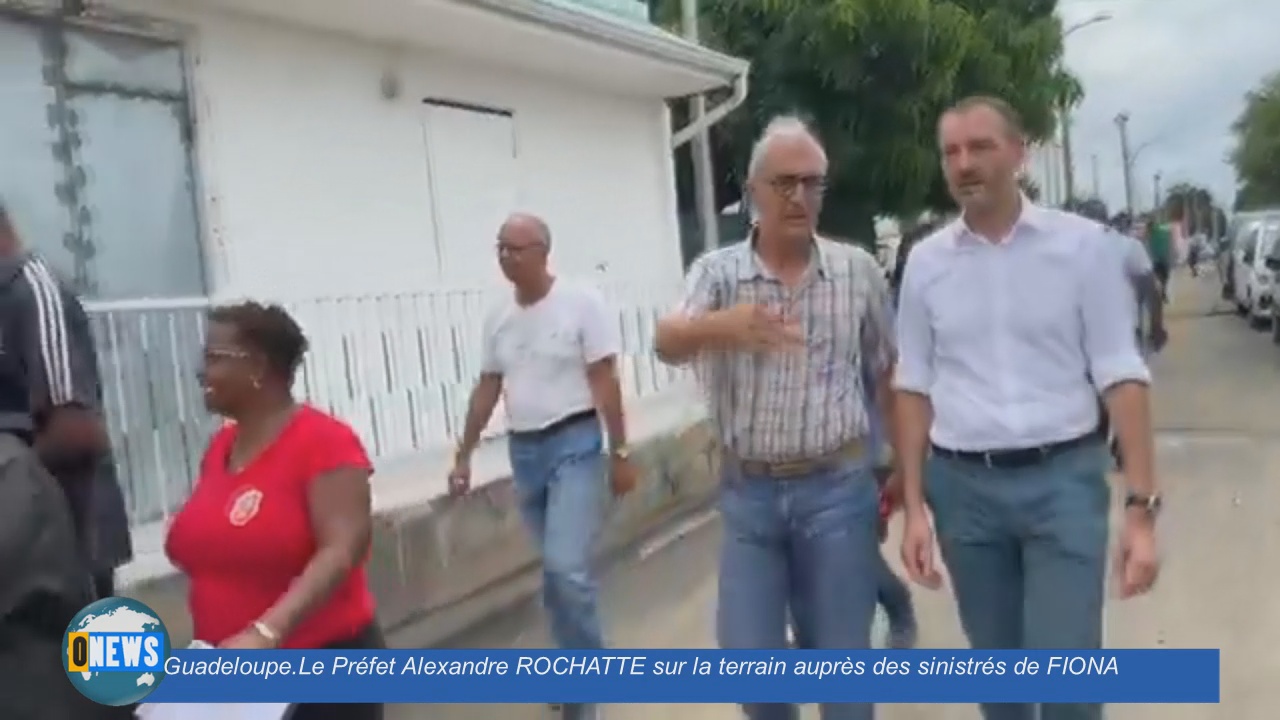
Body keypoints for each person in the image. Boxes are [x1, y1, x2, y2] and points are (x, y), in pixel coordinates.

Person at [895, 96, 1162, 720]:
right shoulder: (927, 264)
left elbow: (1123, 375)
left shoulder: (1084, 249)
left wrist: (1143, 510)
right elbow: (913, 384)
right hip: (964, 493)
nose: (964, 164)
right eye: (951, 152)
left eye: (980, 147)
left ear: (1019, 153)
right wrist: (913, 506)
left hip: (1064, 483)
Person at [654, 115, 894, 720]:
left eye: (812, 183)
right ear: (754, 191)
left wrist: (891, 469)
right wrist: (723, 326)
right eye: (784, 182)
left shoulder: (856, 270)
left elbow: (886, 371)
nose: (799, 196)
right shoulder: (719, 273)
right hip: (749, 494)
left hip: (837, 490)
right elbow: (667, 340)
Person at [448, 213, 635, 720]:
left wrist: (620, 452)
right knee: (554, 577)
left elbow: (604, 380)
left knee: (565, 567)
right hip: (524, 450)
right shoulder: (499, 317)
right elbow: (487, 387)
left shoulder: (580, 303)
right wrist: (464, 453)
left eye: (516, 248)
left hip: (574, 442)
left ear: (542, 251)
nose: (506, 257)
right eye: (500, 248)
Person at [165, 302, 384, 720]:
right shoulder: (220, 449)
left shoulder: (325, 441)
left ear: (258, 366)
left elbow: (343, 548)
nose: (200, 372)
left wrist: (266, 631)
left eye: (214, 359)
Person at [0, 202, 132, 599]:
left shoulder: (34, 290)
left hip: (66, 533)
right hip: (21, 538)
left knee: (88, 656)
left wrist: (12, 488)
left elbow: (75, 434)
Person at [1144, 214, 1173, 302]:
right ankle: (1162, 292)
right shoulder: (1162, 230)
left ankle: (1160, 292)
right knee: (1164, 277)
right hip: (1162, 258)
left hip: (1157, 259)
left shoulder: (1151, 234)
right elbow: (1169, 234)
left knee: (1159, 278)